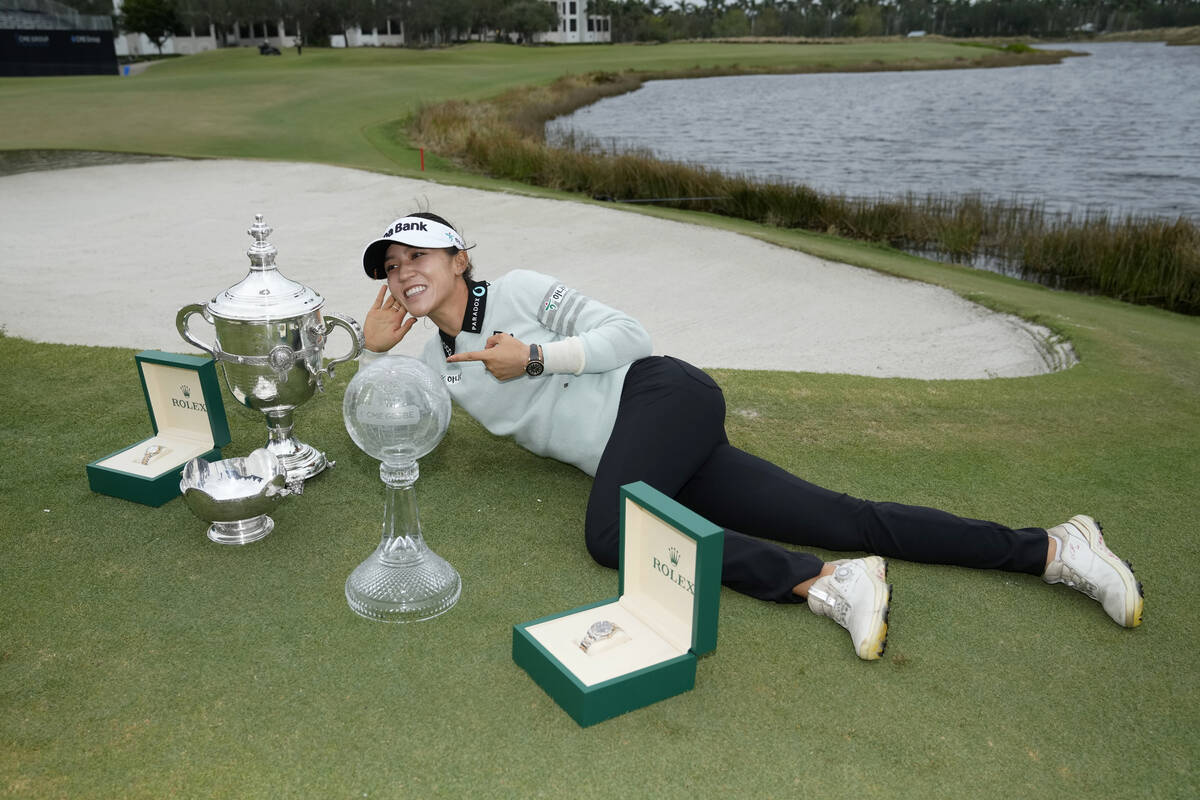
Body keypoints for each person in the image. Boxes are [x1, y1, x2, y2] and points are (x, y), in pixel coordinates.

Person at [357, 211, 1145, 660]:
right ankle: (1051, 547)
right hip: (654, 465)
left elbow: (631, 335)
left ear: (460, 258)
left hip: (664, 395)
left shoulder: (523, 290)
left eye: (416, 256)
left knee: (607, 532)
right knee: (843, 515)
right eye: (391, 268)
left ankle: (819, 582)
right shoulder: (439, 363)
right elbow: (402, 434)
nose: (402, 274)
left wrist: (534, 356)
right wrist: (376, 351)